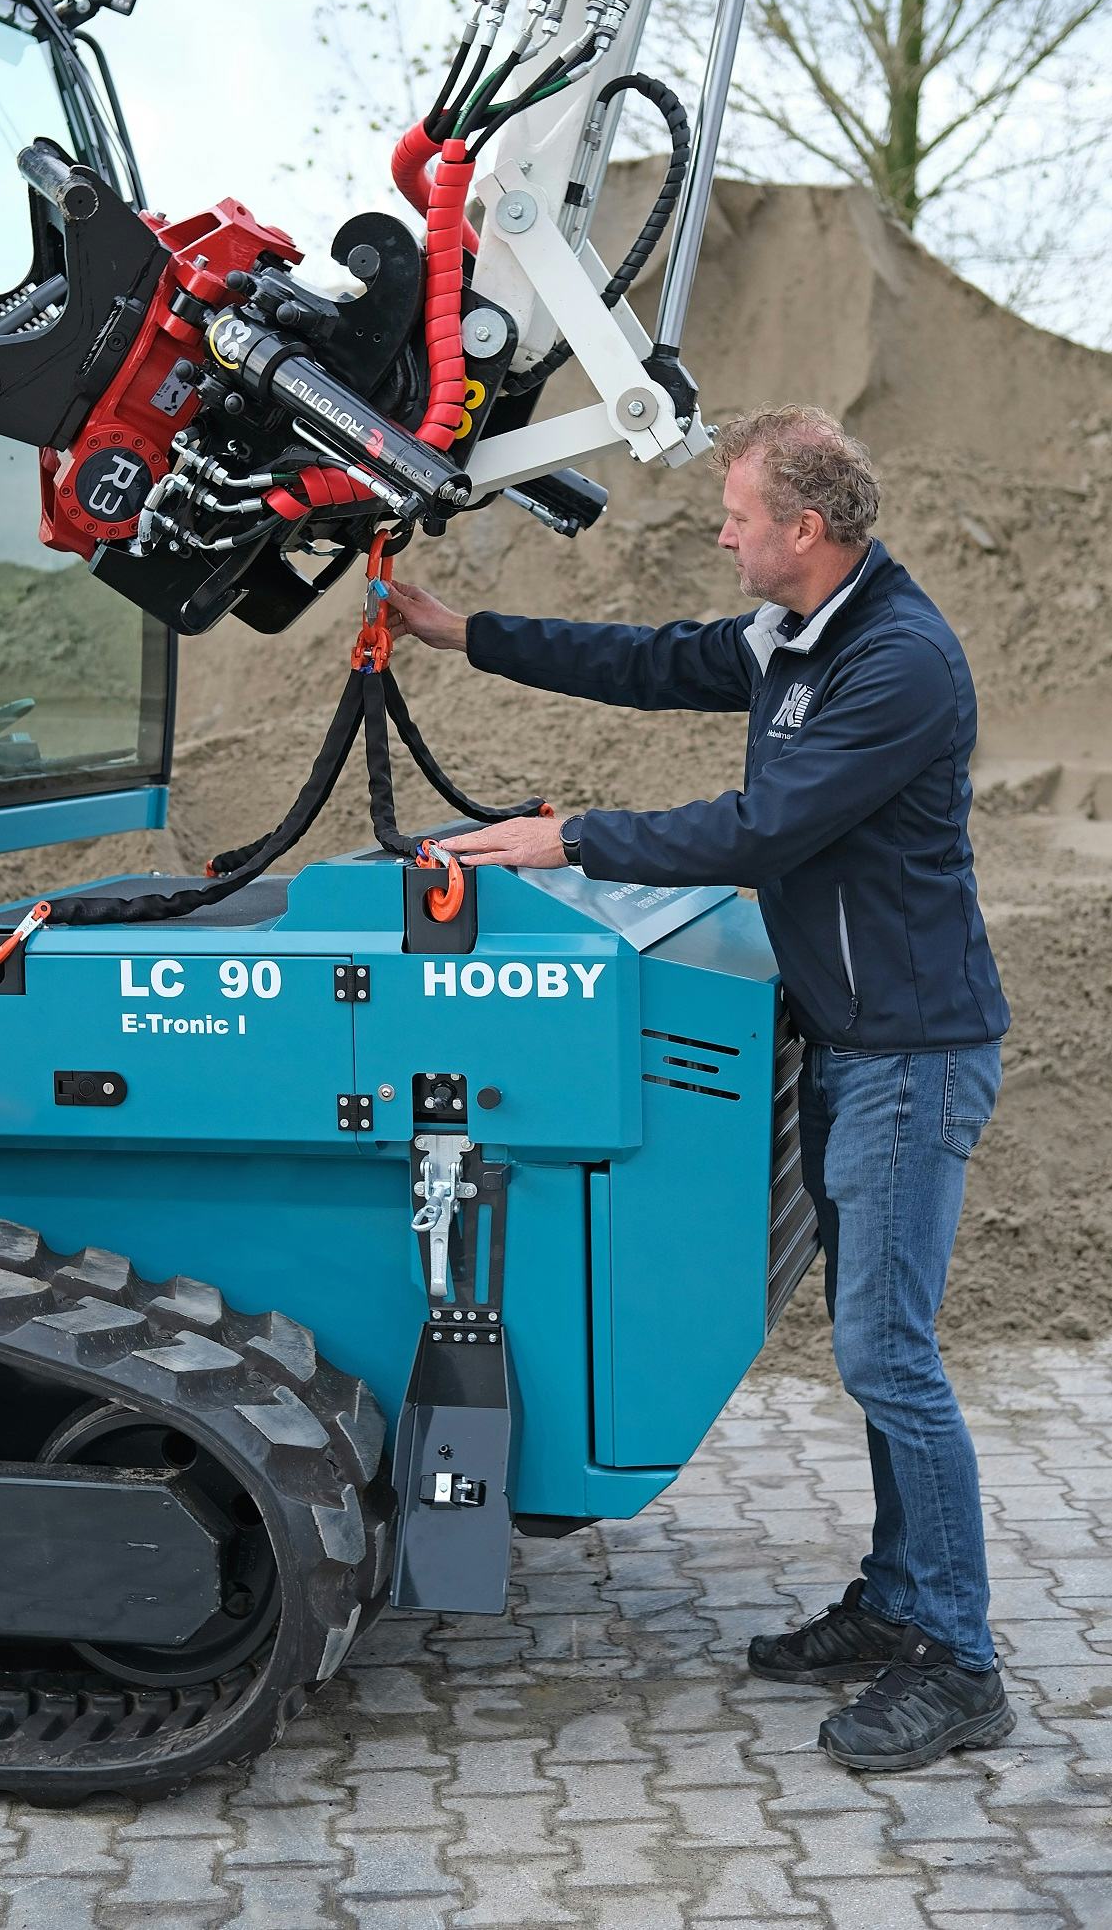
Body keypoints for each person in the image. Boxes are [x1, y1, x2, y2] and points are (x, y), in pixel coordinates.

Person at [386, 403, 1013, 1774]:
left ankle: (959, 1658)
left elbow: (760, 829)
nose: (719, 532)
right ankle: (899, 1600)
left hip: (911, 1049)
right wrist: (465, 634)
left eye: (737, 514)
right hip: (853, 1037)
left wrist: (571, 836)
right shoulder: (801, 633)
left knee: (886, 1353)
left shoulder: (895, 662)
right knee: (877, 1352)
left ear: (805, 529)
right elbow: (654, 661)